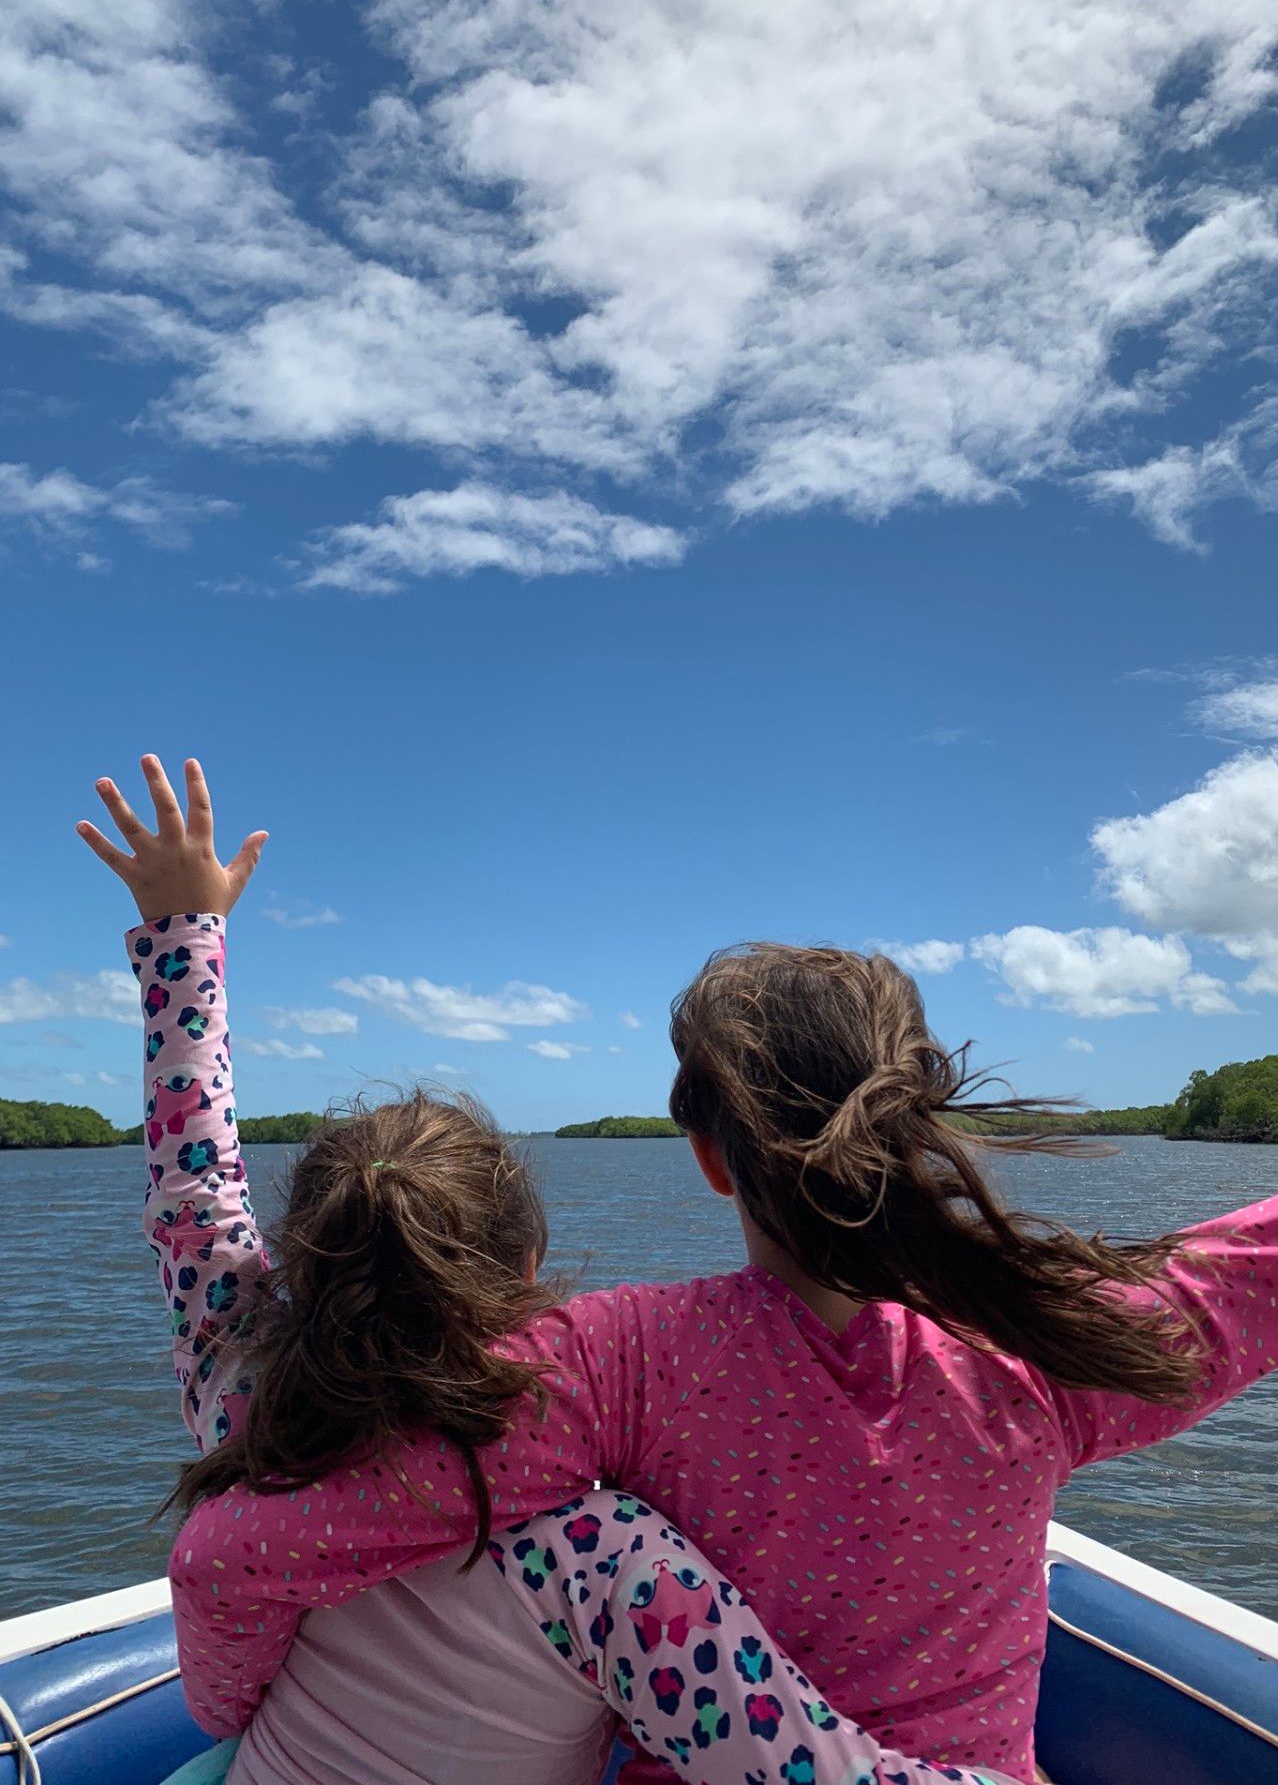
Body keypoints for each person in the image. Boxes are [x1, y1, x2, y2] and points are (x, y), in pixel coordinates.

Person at [83, 761, 1278, 1785]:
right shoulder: (1048, 1353)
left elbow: (303, 1504)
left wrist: (182, 943)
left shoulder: (615, 1363)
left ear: (709, 1157)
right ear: (920, 1126)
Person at [81, 754, 1021, 1785]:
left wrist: (185, 933)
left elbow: (195, 1195)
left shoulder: (251, 1409)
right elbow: (811, 1772)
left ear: (306, 1257)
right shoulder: (607, 1556)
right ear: (528, 1269)